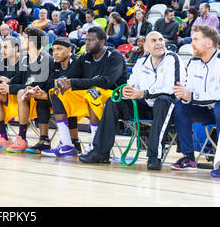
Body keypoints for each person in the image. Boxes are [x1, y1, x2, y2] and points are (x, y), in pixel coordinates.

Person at [80, 31, 184, 169]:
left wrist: (143, 93)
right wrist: (125, 91)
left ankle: (154, 156)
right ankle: (100, 152)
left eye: (161, 39)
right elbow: (131, 84)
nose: (159, 43)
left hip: (168, 108)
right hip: (145, 106)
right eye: (153, 40)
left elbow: (173, 90)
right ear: (146, 46)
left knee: (163, 100)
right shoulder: (141, 62)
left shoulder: (173, 59)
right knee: (114, 101)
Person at [44, 27, 127, 155]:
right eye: (86, 39)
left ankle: (95, 144)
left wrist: (72, 82)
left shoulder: (114, 55)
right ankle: (67, 145)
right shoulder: (84, 57)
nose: (86, 43)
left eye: (91, 40)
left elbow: (106, 82)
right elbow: (72, 76)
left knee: (93, 92)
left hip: (113, 96)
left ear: (102, 42)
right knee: (57, 93)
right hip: (90, 94)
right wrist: (62, 81)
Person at [170, 25, 219, 173]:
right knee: (180, 106)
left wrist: (192, 96)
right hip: (204, 110)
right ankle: (189, 158)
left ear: (208, 43)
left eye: (196, 39)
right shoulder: (193, 62)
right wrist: (184, 95)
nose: (191, 43)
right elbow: (189, 89)